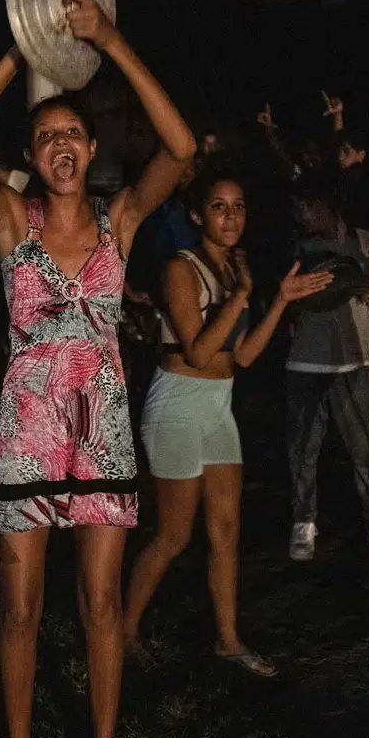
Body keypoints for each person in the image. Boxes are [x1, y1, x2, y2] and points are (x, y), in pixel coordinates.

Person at [0, 0, 196, 738]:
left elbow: (181, 148)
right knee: (18, 605)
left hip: (104, 436)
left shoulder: (122, 219)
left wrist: (109, 39)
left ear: (91, 146)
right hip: (27, 437)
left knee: (103, 603)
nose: (62, 146)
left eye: (73, 133)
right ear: (33, 155)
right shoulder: (13, 222)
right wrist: (19, 50)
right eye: (46, 137)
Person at [122, 165, 332, 676]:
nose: (231, 216)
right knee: (174, 534)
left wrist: (278, 300)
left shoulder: (235, 270)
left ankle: (229, 640)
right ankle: (121, 628)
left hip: (219, 403)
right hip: (177, 401)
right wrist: (241, 295)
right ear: (198, 214)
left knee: (226, 529)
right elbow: (196, 351)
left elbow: (242, 356)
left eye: (238, 207)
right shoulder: (181, 267)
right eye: (219, 206)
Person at [284, 179, 369, 562]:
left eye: (306, 207)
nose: (300, 216)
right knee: (303, 448)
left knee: (365, 449)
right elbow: (284, 308)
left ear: (326, 206)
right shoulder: (298, 248)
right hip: (305, 361)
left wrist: (363, 287)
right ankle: (303, 524)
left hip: (357, 361)